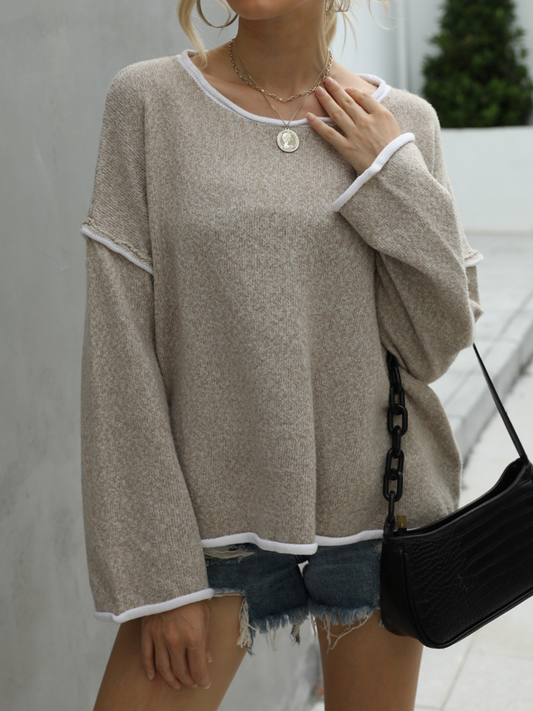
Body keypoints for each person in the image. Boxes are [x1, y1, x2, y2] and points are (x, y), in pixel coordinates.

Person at [79, 0, 484, 709]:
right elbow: (120, 352)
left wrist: (387, 169)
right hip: (211, 534)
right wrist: (159, 576)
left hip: (379, 519)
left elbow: (433, 341)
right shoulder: (150, 101)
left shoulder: (402, 121)